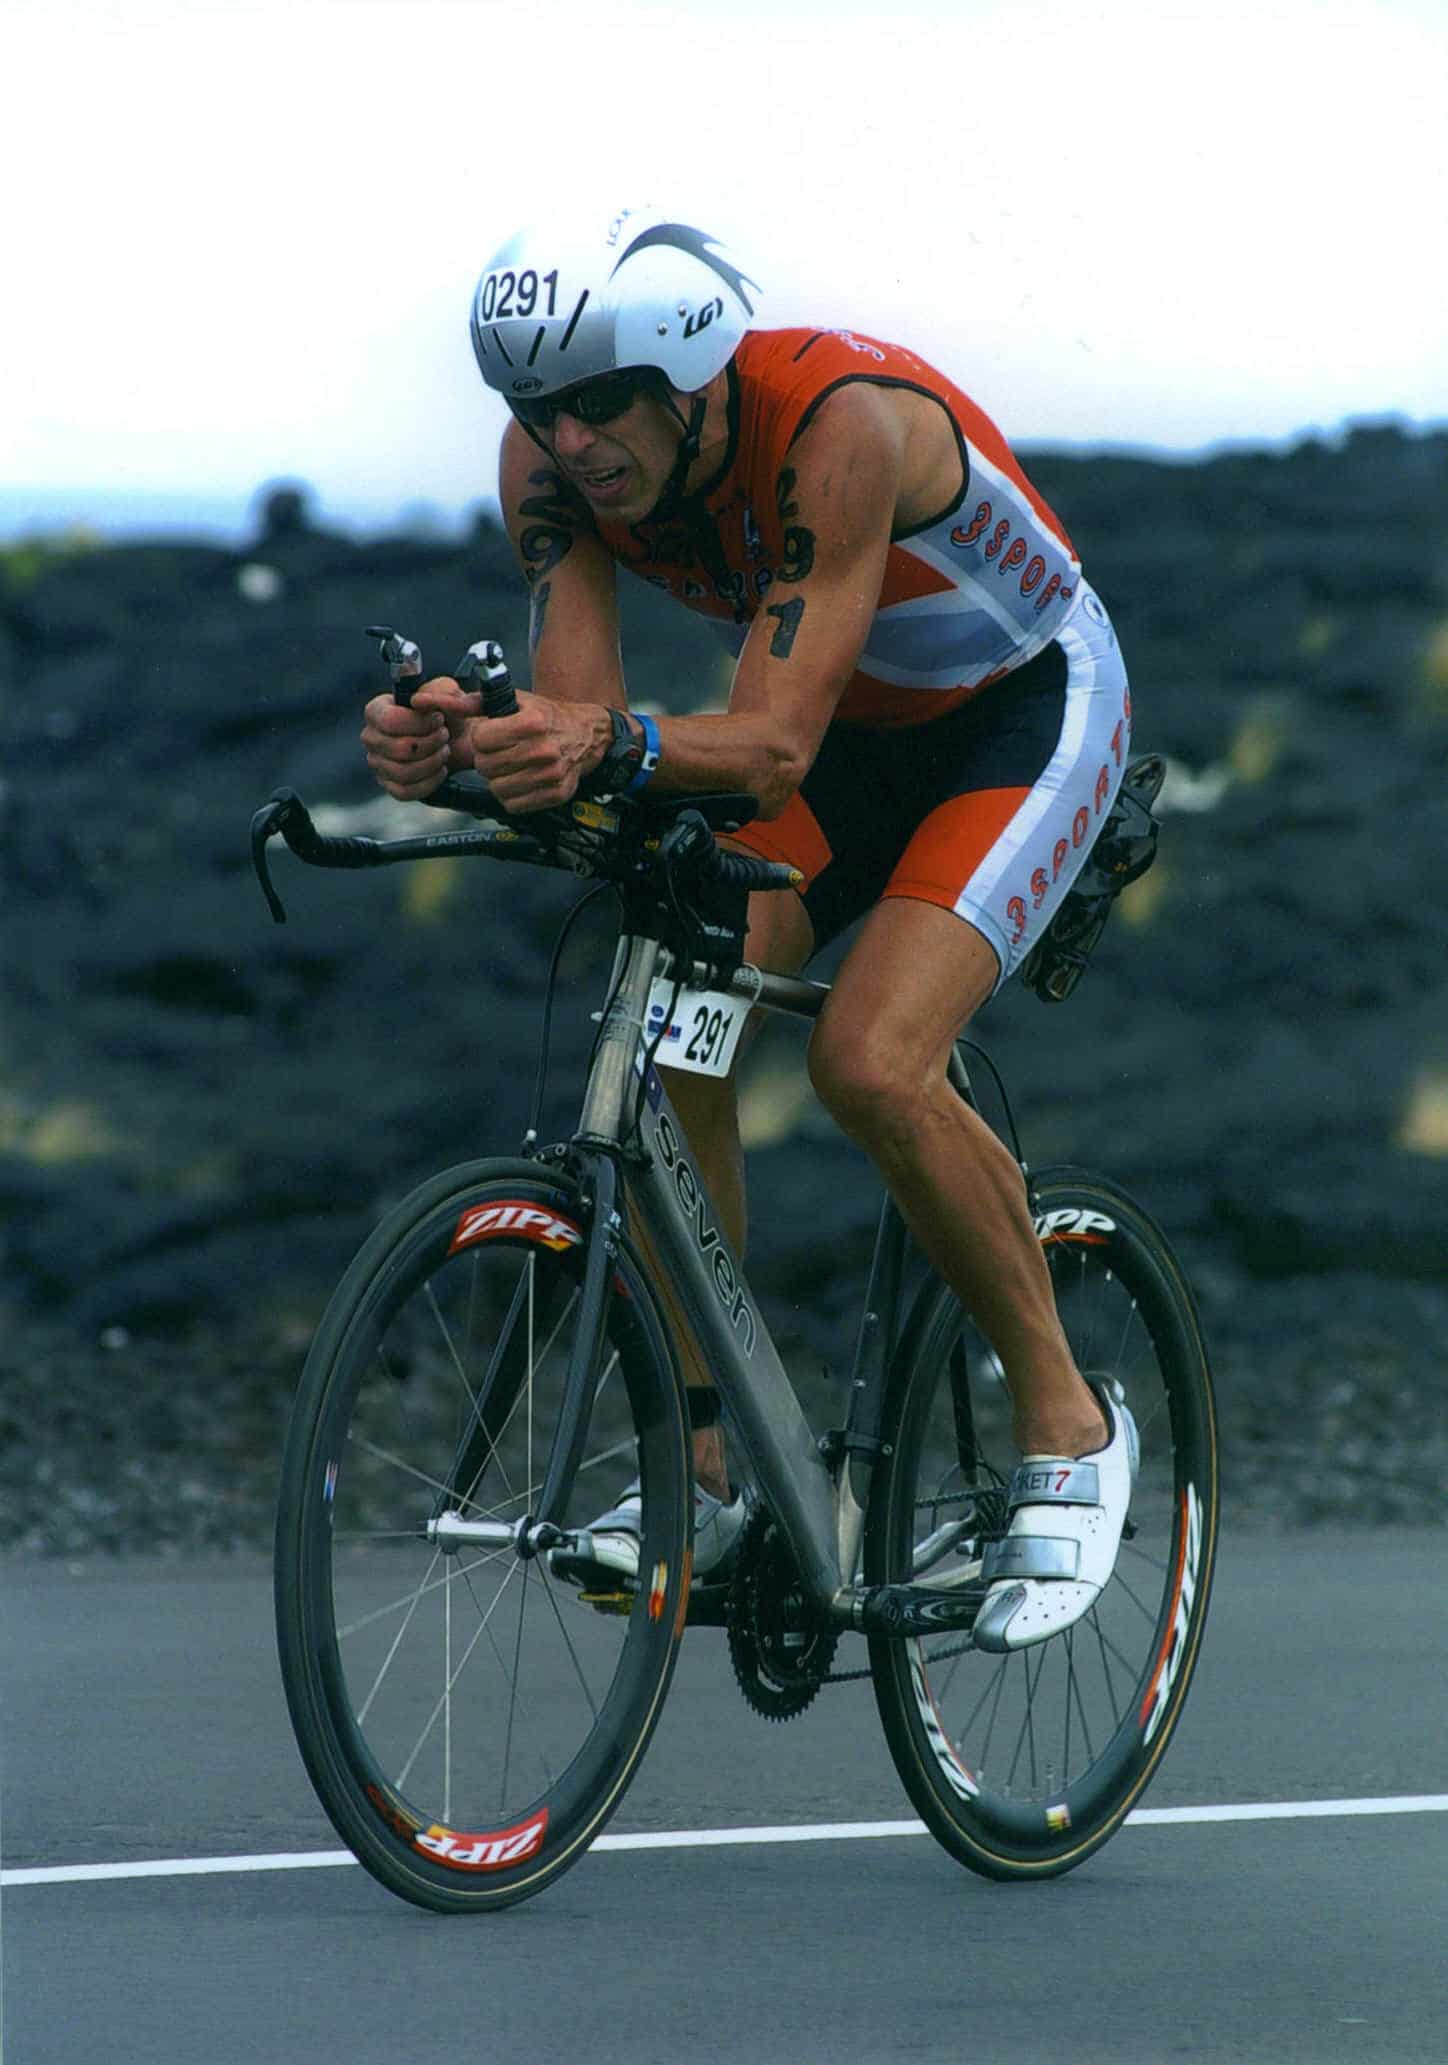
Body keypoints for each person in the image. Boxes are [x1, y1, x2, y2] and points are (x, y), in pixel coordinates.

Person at [361, 206, 1137, 1652]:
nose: (571, 439)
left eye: (601, 401)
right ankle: (712, 1471)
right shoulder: (548, 465)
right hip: (843, 737)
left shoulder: (839, 428)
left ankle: (1068, 1419)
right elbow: (580, 730)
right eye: (540, 405)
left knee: (869, 1059)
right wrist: (468, 744)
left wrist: (594, 739)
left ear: (692, 373)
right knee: (670, 1031)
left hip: (1024, 717)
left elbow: (767, 748)